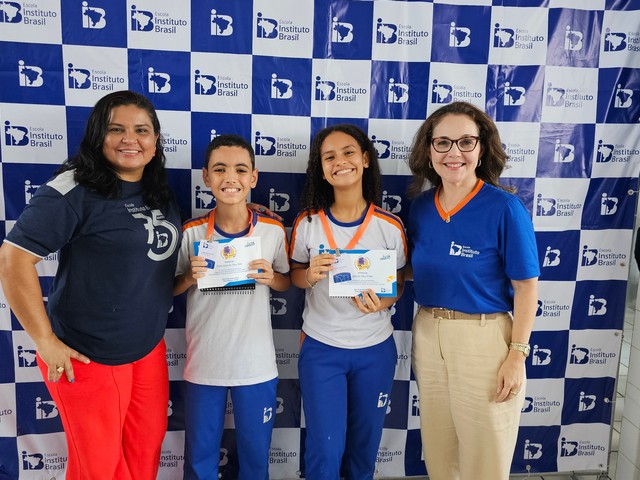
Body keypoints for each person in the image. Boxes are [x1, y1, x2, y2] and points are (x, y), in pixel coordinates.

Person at [0, 90, 181, 479]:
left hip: (146, 350)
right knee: (96, 469)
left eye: (141, 130)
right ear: (98, 136)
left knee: (143, 459)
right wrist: (45, 341)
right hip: (88, 355)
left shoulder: (157, 189)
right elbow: (12, 260)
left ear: (155, 141)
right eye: (116, 129)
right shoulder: (73, 189)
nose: (130, 139)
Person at [406, 101, 540, 480]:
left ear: (482, 149)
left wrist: (517, 354)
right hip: (428, 332)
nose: (454, 153)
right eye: (443, 142)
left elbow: (526, 287)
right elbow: (417, 269)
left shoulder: (505, 208)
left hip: (484, 338)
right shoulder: (420, 208)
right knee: (439, 454)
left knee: (485, 460)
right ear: (429, 150)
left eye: (466, 142)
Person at [289, 124, 407, 479]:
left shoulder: (389, 226)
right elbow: (293, 275)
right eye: (329, 157)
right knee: (325, 448)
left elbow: (399, 281)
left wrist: (383, 302)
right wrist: (310, 275)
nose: (340, 161)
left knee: (363, 448)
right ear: (321, 170)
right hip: (322, 348)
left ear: (365, 159)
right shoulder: (307, 222)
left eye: (348, 152)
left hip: (375, 349)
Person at [173, 134, 290, 480]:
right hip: (204, 364)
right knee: (200, 459)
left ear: (253, 177)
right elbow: (169, 288)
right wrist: (189, 277)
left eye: (240, 170)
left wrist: (272, 278)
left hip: (255, 364)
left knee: (255, 459)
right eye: (220, 169)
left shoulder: (272, 230)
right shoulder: (191, 232)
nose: (230, 178)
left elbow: (286, 281)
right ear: (206, 177)